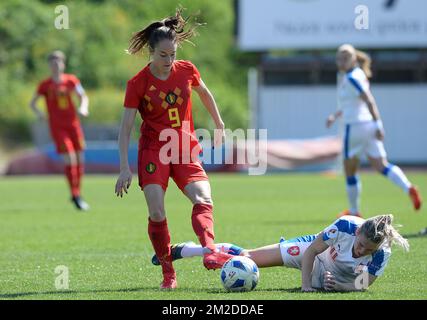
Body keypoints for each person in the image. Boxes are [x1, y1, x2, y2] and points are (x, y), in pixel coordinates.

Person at [114, 9, 233, 290]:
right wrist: (123, 167)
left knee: (203, 197)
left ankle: (210, 251)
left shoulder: (187, 70)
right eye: (163, 55)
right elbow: (125, 129)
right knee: (157, 212)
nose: (169, 61)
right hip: (154, 150)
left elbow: (204, 92)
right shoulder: (137, 84)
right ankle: (168, 273)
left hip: (184, 147)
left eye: (173, 55)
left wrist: (219, 123)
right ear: (150, 53)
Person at [152, 214, 410, 292]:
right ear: (358, 233)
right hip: (314, 252)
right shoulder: (345, 226)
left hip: (332, 277)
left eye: (368, 249)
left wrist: (339, 286)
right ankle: (187, 250)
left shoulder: (381, 253)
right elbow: (311, 253)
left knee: (330, 285)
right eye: (361, 243)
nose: (361, 250)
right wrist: (306, 287)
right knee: (249, 257)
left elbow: (361, 286)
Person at [326, 44, 422, 217]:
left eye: (345, 57)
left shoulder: (351, 78)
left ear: (354, 58)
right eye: (339, 57)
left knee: (350, 170)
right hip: (368, 126)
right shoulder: (356, 74)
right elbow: (352, 104)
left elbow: (369, 100)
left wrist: (380, 124)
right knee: (381, 166)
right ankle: (409, 188)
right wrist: (335, 115)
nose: (341, 61)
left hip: (354, 128)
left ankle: (354, 211)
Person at [30, 50, 90, 211]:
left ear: (63, 64)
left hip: (73, 125)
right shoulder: (45, 85)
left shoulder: (71, 81)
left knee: (79, 159)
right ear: (49, 66)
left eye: (58, 62)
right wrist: (40, 114)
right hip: (58, 128)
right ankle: (75, 194)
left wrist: (83, 107)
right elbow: (33, 103)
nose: (56, 65)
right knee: (70, 158)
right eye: (52, 63)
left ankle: (77, 193)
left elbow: (83, 96)